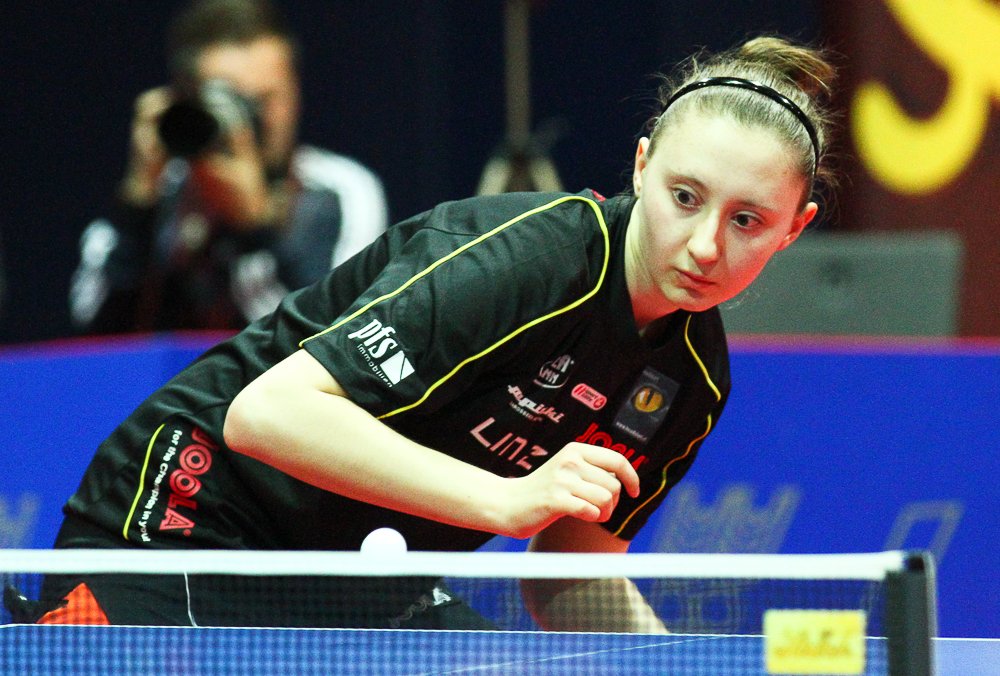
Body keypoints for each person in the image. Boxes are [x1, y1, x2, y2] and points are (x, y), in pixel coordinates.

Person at [19, 36, 837, 630]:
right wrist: (506, 499)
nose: (705, 245)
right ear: (641, 165)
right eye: (685, 198)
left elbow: (569, 577)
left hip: (362, 581)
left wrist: (673, 667)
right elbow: (266, 414)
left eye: (747, 220)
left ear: (793, 229)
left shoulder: (691, 380)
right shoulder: (529, 260)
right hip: (188, 520)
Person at [69, 0, 388, 333]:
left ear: (295, 91)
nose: (250, 121)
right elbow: (95, 336)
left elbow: (337, 335)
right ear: (187, 98)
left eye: (265, 99)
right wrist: (137, 210)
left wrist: (255, 229)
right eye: (229, 99)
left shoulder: (339, 190)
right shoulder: (163, 188)